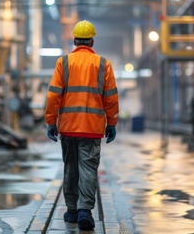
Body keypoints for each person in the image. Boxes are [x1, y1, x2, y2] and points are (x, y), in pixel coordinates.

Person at [44, 20, 119, 231]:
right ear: (92, 41)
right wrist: (111, 123)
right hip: (92, 129)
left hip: (68, 127)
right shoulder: (103, 64)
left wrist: (51, 121)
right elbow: (111, 97)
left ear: (74, 40)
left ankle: (72, 210)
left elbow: (53, 96)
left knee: (70, 168)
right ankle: (85, 210)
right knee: (88, 169)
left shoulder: (63, 63)